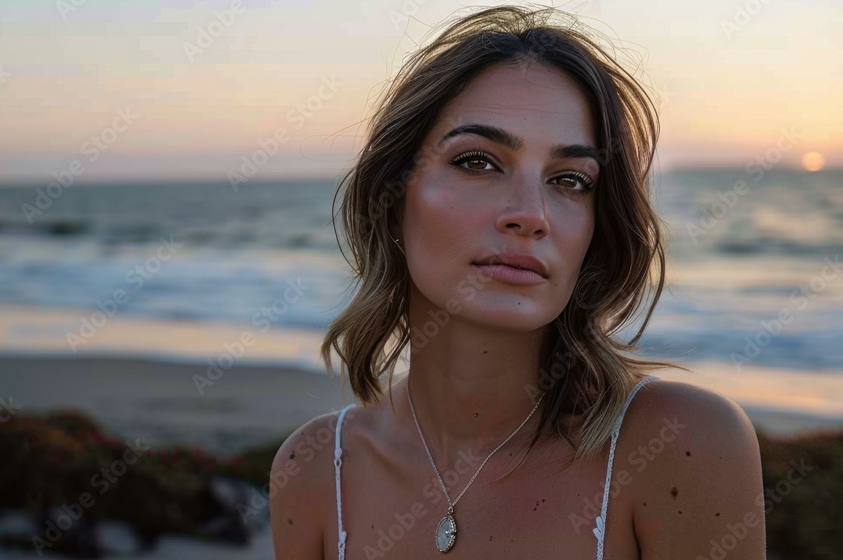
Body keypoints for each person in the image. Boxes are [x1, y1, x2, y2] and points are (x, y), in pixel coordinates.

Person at [270, 5, 765, 559]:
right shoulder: (314, 468)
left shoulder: (681, 442)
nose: (531, 213)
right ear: (392, 198)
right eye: (478, 162)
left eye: (571, 180)